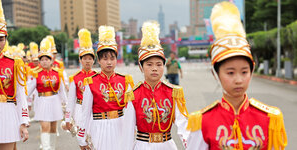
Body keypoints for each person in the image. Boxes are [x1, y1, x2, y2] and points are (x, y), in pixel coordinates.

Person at [186, 2, 287, 150]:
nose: (239, 80)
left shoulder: (269, 118)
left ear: (252, 72)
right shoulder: (202, 121)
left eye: (244, 72)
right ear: (216, 74)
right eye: (230, 73)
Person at [122, 21, 189, 150]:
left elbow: (183, 125)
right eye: (149, 64)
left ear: (163, 66)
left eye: (159, 64)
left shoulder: (173, 92)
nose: (154, 69)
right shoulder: (133, 95)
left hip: (167, 145)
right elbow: (127, 131)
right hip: (142, 145)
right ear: (141, 67)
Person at [76, 25, 134, 150]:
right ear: (99, 60)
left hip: (120, 125)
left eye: (112, 58)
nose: (109, 62)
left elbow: (131, 110)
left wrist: (133, 130)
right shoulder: (91, 82)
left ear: (116, 59)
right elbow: (85, 112)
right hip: (99, 126)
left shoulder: (125, 80)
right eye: (105, 58)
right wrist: (82, 138)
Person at [0, 0, 29, 149]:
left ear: (6, 40)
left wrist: (24, 122)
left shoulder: (15, 63)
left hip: (8, 113)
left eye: (1, 39)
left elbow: (21, 94)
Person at [27, 38, 68, 150]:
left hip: (54, 100)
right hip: (42, 101)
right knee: (45, 127)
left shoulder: (57, 73)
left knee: (53, 128)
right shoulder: (36, 74)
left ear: (51, 60)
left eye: (47, 59)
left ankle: (52, 147)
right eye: (42, 59)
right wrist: (24, 102)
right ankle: (46, 148)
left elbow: (61, 90)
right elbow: (28, 91)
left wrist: (66, 104)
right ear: (39, 61)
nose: (44, 61)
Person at [65, 28, 97, 135]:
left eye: (90, 58)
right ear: (80, 60)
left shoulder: (97, 77)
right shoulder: (75, 78)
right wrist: (67, 119)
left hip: (94, 110)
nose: (87, 61)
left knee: (94, 137)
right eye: (85, 58)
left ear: (94, 60)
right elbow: (70, 100)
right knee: (82, 138)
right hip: (79, 109)